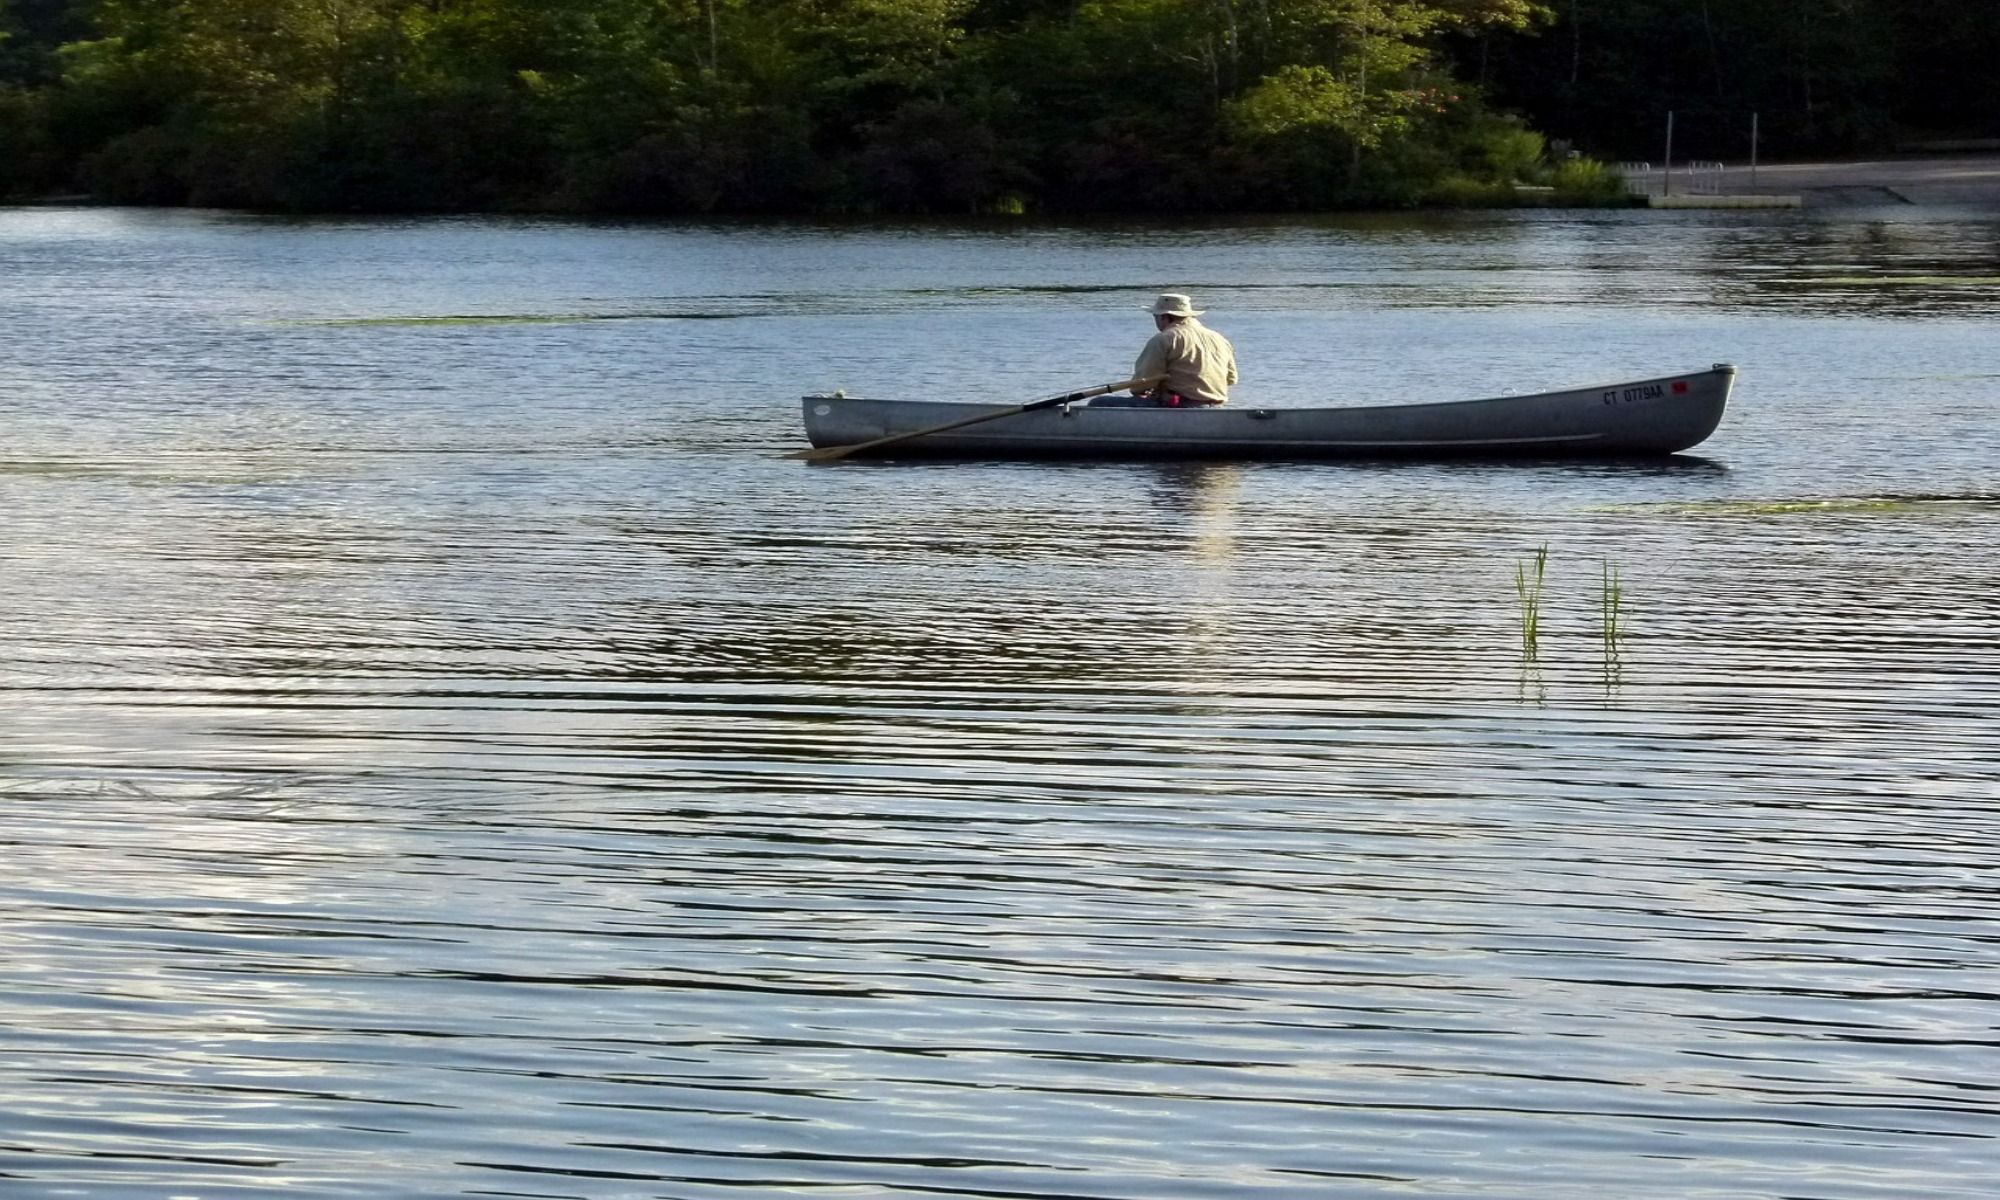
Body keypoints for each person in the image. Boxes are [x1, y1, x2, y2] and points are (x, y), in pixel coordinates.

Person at [1107, 292, 1236, 407]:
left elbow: (1140, 385)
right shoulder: (1220, 339)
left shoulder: (1164, 339)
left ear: (1165, 317)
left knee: (1099, 403)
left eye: (1155, 317)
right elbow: (1231, 379)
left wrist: (1145, 391)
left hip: (1181, 406)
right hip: (1217, 406)